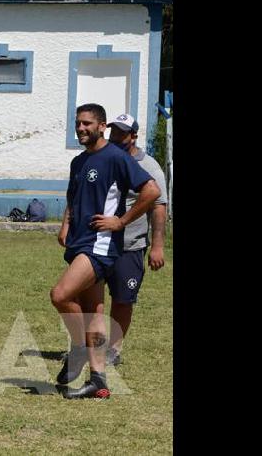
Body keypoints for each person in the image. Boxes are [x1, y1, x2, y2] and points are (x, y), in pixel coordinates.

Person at [52, 103, 160, 399]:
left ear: (102, 126)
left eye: (87, 123)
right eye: (78, 123)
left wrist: (121, 221)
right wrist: (66, 224)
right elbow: (73, 196)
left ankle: (78, 348)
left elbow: (152, 191)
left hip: (100, 245)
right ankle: (98, 380)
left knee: (60, 295)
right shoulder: (79, 162)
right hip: (79, 242)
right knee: (94, 310)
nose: (81, 128)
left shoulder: (115, 157)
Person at [104, 114, 168, 366]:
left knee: (122, 298)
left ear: (133, 136)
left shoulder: (148, 166)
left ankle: (113, 349)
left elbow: (159, 206)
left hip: (130, 244)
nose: (116, 137)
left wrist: (158, 246)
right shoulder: (105, 159)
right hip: (98, 241)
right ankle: (89, 346)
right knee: (90, 296)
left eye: (122, 133)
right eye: (114, 132)